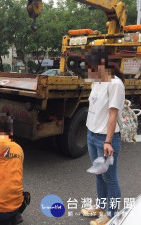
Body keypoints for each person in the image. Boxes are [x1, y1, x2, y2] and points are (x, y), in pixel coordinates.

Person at [81, 46, 125, 225]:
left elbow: (113, 114)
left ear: (101, 64)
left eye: (90, 67)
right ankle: (101, 206)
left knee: (110, 178)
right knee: (98, 174)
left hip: (105, 139)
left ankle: (111, 214)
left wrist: (108, 141)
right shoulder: (97, 82)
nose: (88, 71)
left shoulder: (115, 84)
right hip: (92, 134)